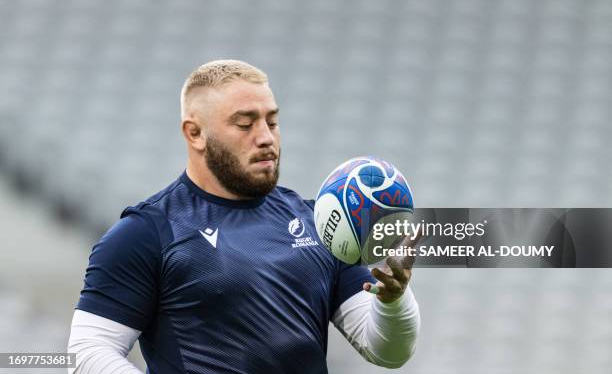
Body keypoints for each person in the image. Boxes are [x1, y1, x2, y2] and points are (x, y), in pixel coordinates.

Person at [67, 60, 420, 373]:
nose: (266, 138)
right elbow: (87, 352)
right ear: (195, 133)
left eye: (272, 121)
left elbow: (387, 353)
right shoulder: (147, 233)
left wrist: (393, 301)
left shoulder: (320, 223)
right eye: (245, 124)